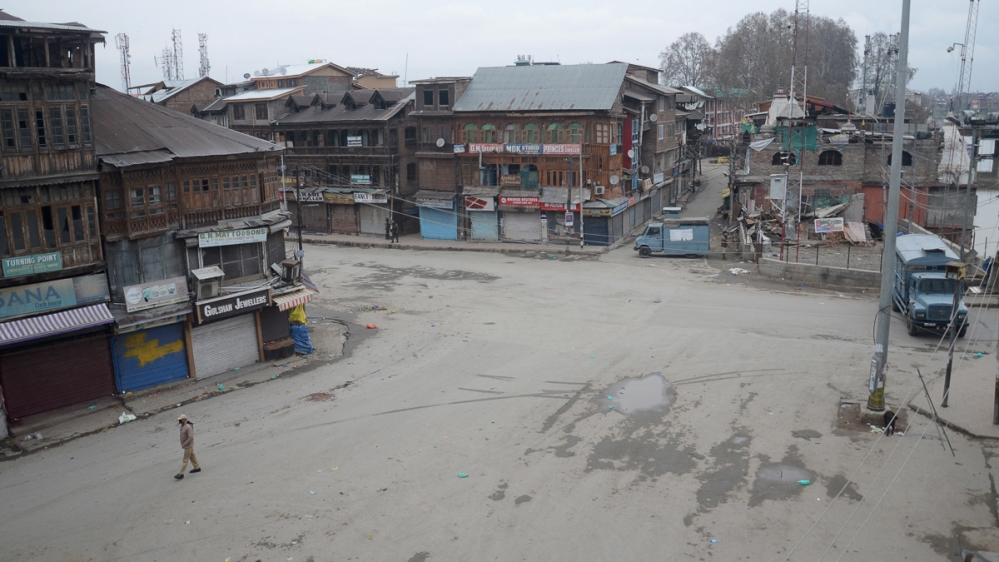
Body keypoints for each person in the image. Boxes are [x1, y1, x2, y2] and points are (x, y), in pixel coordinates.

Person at [175, 414, 201, 480]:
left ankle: (181, 474)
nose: (180, 421)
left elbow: (190, 437)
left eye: (181, 420)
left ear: (184, 419)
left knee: (185, 459)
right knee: (192, 456)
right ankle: (197, 467)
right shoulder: (183, 426)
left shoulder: (188, 427)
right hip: (188, 445)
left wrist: (185, 444)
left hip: (188, 446)